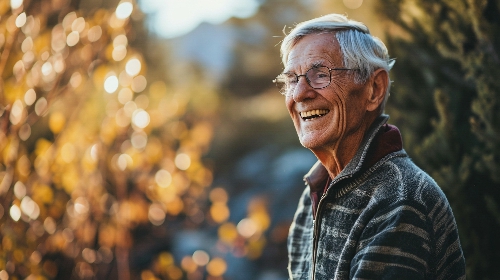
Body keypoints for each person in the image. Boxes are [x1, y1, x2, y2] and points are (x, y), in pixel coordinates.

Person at [273, 14, 466, 279]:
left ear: (374, 89)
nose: (298, 94)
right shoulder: (316, 191)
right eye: (292, 79)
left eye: (320, 75)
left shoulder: (400, 200)